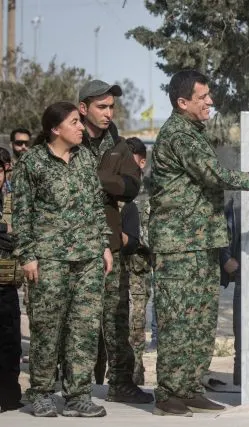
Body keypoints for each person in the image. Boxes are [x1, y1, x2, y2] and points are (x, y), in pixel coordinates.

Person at [149, 69, 249, 416]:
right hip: (179, 245)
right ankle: (168, 393)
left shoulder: (194, 133)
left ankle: (190, 387)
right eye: (202, 97)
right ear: (182, 102)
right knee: (178, 321)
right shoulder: (179, 135)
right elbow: (216, 176)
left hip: (201, 241)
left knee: (201, 321)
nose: (210, 101)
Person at [12, 102, 113, 417]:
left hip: (88, 258)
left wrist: (104, 245)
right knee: (47, 328)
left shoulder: (86, 158)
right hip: (49, 259)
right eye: (74, 122)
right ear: (55, 129)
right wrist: (28, 255)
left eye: (80, 122)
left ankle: (77, 395)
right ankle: (41, 392)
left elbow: (96, 204)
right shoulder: (32, 162)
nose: (81, 127)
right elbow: (22, 212)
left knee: (84, 328)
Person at [77, 80, 151, 403]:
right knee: (76, 320)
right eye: (102, 107)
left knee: (117, 318)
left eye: (111, 107)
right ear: (83, 108)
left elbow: (131, 186)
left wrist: (92, 179)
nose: (109, 113)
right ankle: (72, 386)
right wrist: (111, 182)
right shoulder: (69, 139)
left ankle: (121, 383)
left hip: (110, 247)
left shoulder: (119, 146)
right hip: (73, 245)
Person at [120, 137, 152, 385]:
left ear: (142, 162)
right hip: (113, 270)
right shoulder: (115, 190)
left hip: (138, 274)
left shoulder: (151, 194)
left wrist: (132, 237)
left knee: (136, 328)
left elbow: (153, 238)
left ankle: (134, 375)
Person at [0, 161, 22, 413]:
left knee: (11, 344)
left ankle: (9, 397)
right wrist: (5, 228)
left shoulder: (12, 202)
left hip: (8, 284)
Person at [219, 196, 241, 386]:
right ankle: (241, 380)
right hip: (244, 275)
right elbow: (221, 227)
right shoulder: (236, 202)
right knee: (242, 333)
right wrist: (225, 258)